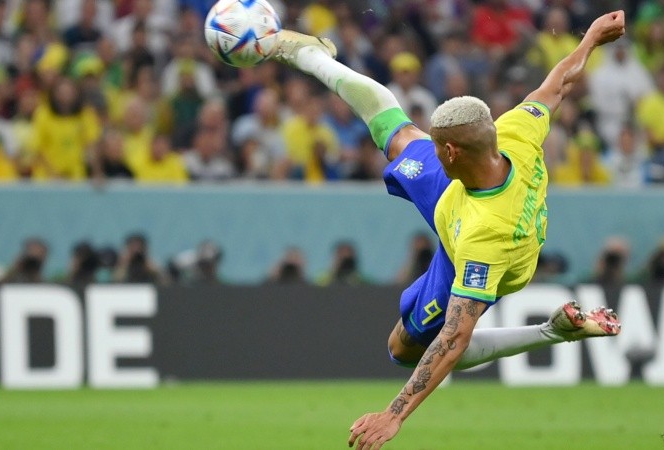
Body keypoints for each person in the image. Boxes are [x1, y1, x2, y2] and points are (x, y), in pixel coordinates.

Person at [264, 11, 626, 449]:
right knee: (394, 131)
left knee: (403, 349)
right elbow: (559, 84)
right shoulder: (515, 132)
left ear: (451, 151)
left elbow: (455, 340)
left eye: (436, 146)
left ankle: (552, 331)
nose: (430, 150)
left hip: (475, 244)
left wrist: (393, 415)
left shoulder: (483, 242)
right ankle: (312, 55)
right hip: (461, 195)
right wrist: (590, 39)